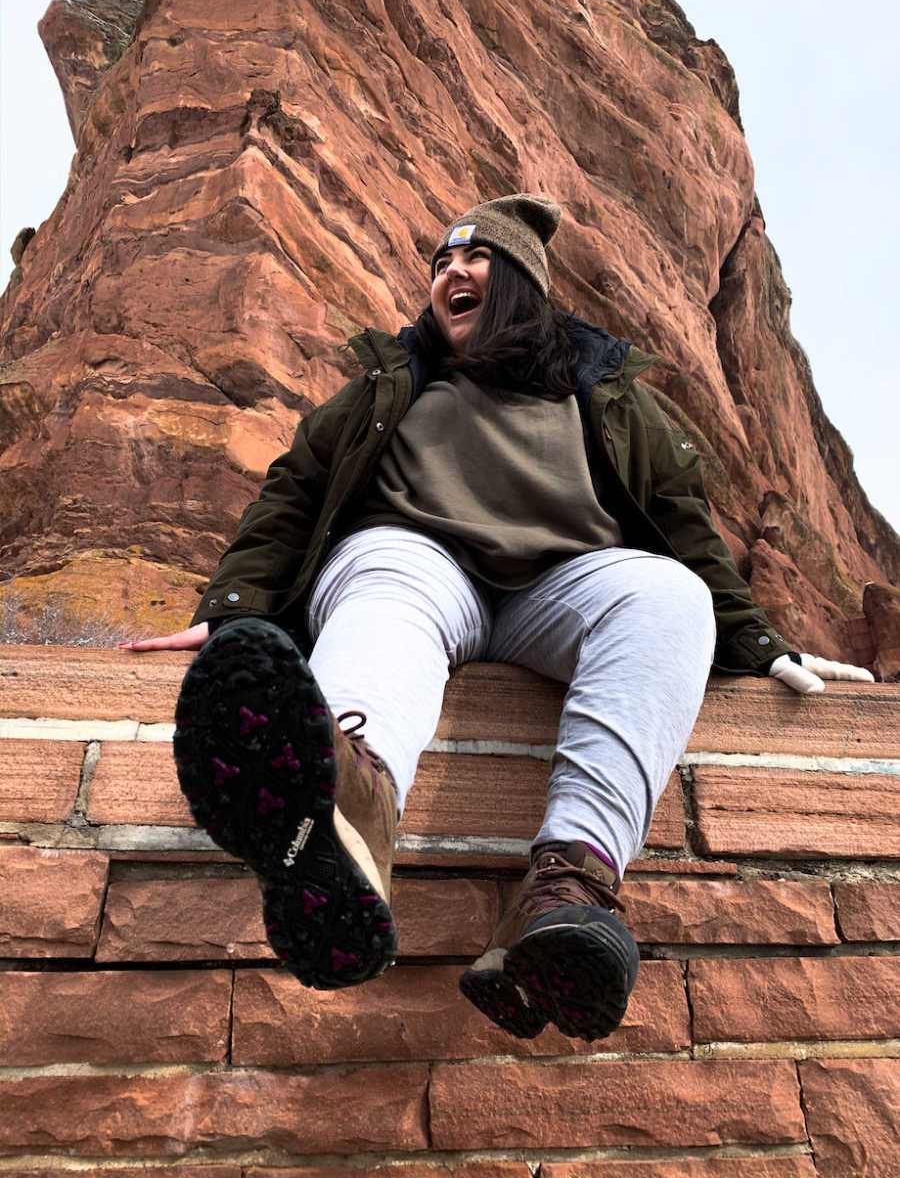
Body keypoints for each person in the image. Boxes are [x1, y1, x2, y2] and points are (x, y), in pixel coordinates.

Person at [123, 194, 873, 1042]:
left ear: (520, 282)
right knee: (384, 575)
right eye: (441, 263)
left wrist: (759, 643)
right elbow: (294, 491)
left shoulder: (607, 393)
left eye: (474, 260)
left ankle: (567, 893)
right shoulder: (391, 378)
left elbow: (682, 520)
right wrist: (232, 613)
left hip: (563, 588)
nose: (451, 274)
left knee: (670, 594)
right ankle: (345, 815)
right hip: (420, 561)